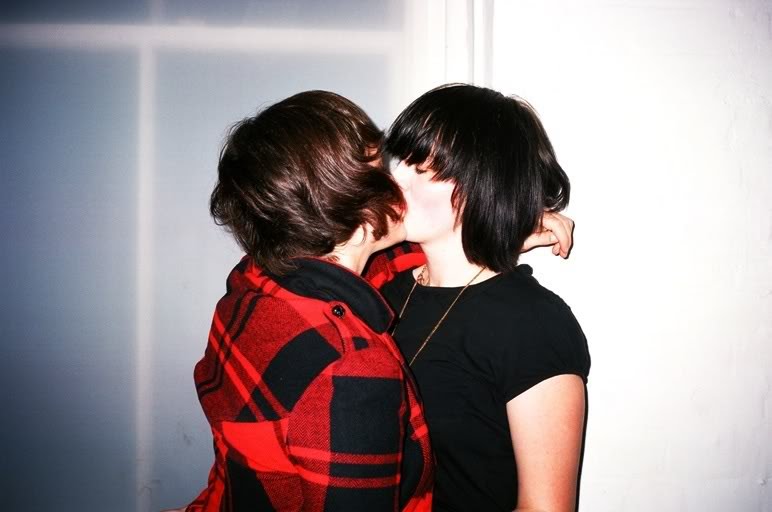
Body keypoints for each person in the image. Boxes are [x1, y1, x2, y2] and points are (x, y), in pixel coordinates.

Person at [183, 90, 434, 512]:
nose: (398, 184)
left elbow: (379, 263)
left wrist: (500, 224)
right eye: (380, 173)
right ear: (347, 207)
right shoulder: (351, 366)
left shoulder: (253, 282)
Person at [367, 84, 591, 512]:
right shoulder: (382, 287)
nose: (397, 180)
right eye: (401, 162)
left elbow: (544, 508)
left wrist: (502, 222)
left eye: (424, 168)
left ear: (483, 185)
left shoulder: (530, 323)